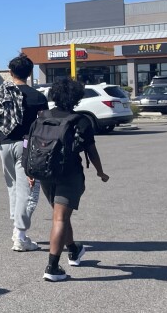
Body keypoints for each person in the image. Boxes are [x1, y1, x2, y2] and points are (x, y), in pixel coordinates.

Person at [32, 78, 109, 282]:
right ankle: (52, 267)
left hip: (45, 173)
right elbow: (91, 151)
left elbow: (28, 145)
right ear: (76, 98)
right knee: (60, 218)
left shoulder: (41, 117)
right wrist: (101, 172)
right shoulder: (79, 121)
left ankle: (74, 249)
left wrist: (31, 174)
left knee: (61, 215)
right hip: (69, 174)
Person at [0, 53, 49, 251]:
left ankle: (16, 229)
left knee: (13, 188)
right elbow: (44, 127)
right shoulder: (38, 97)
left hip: (4, 146)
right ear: (30, 73)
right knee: (28, 191)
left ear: (10, 72)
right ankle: (20, 235)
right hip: (27, 146)